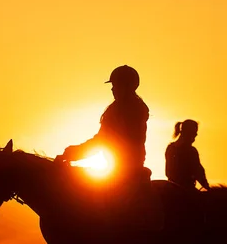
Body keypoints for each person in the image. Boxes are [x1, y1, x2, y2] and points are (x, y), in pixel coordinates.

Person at [56, 65, 157, 229]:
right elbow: (102, 139)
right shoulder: (115, 110)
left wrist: (74, 152)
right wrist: (74, 152)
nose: (112, 89)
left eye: (115, 85)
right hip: (115, 167)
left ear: (127, 86)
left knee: (111, 209)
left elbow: (106, 140)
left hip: (128, 168)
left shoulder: (134, 110)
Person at [165, 119, 210, 191]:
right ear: (189, 133)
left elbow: (168, 172)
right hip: (187, 189)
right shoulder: (191, 151)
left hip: (171, 188)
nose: (196, 135)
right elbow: (198, 171)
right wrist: (207, 187)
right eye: (194, 133)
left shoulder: (170, 148)